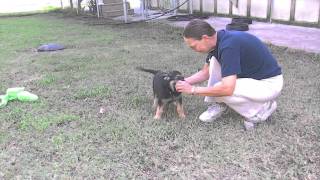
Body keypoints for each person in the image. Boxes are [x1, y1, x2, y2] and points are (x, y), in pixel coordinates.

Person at [175, 19, 283, 130]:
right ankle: (220, 103)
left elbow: (227, 89)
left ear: (205, 38)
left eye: (193, 46)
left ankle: (261, 109)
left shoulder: (228, 46)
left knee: (221, 88)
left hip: (269, 84)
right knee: (214, 62)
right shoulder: (218, 41)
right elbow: (205, 73)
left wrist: (193, 90)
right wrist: (183, 82)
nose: (193, 50)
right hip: (252, 79)